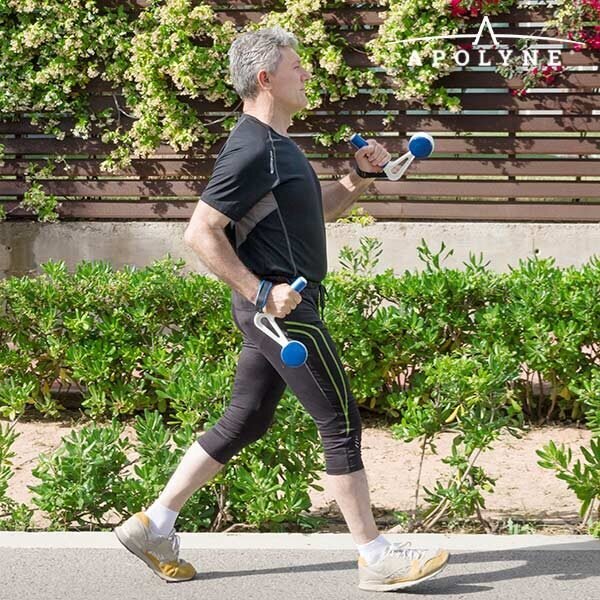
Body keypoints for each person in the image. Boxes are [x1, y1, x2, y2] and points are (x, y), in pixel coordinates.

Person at [114, 26, 449, 592]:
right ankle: (374, 556)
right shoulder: (252, 148)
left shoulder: (278, 147)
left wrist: (360, 177)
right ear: (266, 78)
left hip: (277, 307)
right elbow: (200, 232)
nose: (308, 73)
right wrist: (259, 291)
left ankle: (155, 524)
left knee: (246, 419)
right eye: (298, 66)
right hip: (282, 311)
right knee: (339, 421)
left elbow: (322, 211)